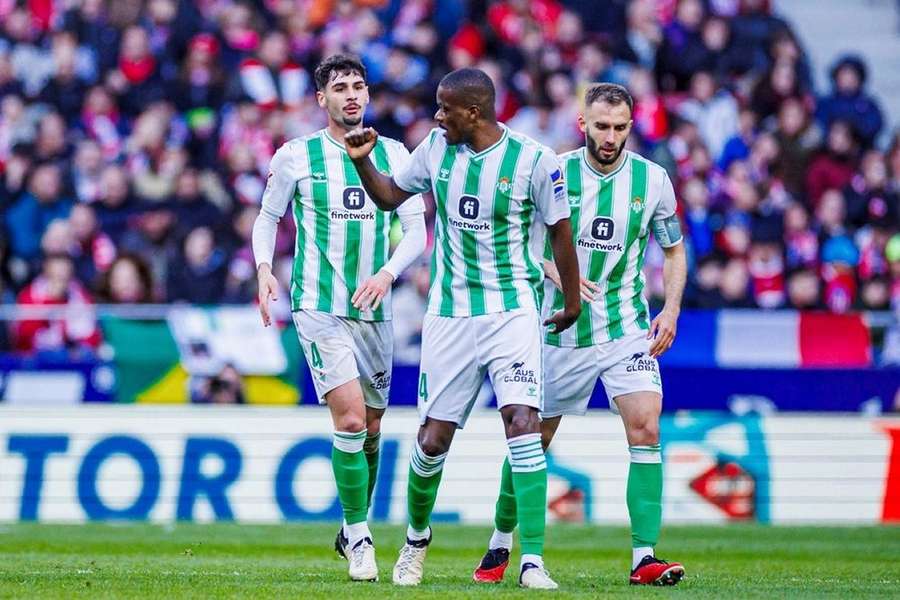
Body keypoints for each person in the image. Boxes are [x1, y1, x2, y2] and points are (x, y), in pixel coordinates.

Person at [345, 67, 582, 589]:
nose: (437, 116)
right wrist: (363, 164)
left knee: (524, 423)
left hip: (512, 311)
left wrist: (570, 297)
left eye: (445, 108)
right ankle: (415, 539)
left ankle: (533, 561)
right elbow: (390, 196)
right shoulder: (433, 149)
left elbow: (561, 232)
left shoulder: (534, 160)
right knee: (432, 441)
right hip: (450, 314)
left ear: (473, 112)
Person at [472, 83, 688, 587]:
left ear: (630, 127)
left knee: (646, 427)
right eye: (601, 126)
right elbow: (517, 244)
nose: (610, 137)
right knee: (534, 442)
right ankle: (501, 540)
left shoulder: (653, 180)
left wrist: (671, 308)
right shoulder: (553, 172)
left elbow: (674, 250)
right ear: (582, 125)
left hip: (626, 329)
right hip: (558, 331)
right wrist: (554, 271)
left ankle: (644, 557)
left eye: (619, 128)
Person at [251, 54, 427, 582]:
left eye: (358, 86)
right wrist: (264, 269)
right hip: (318, 305)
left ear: (368, 95)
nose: (351, 95)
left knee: (372, 430)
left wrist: (389, 273)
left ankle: (351, 525)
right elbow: (267, 218)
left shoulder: (396, 153)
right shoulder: (296, 155)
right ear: (321, 100)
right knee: (349, 421)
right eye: (340, 88)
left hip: (375, 310)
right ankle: (362, 538)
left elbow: (417, 231)